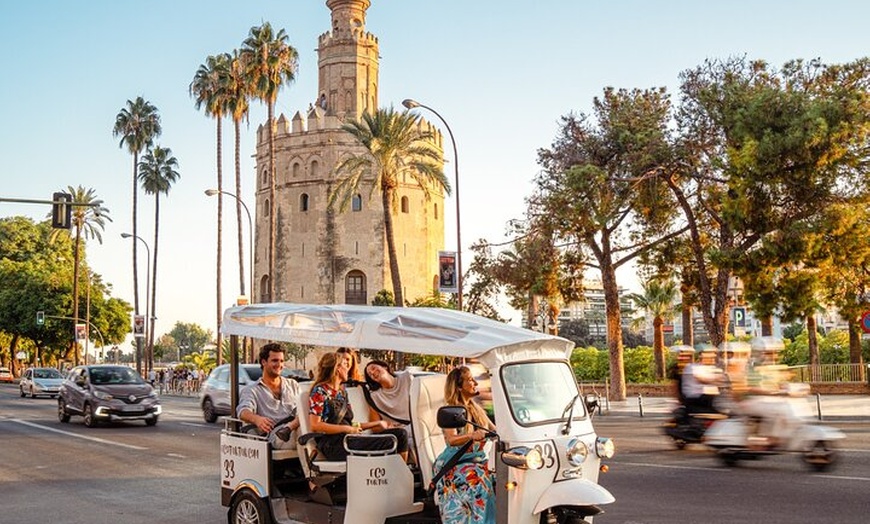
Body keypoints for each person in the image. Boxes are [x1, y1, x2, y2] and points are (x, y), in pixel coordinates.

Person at [308, 352, 409, 461]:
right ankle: (394, 474)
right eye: (345, 365)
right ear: (337, 368)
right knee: (390, 441)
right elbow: (315, 425)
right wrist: (346, 429)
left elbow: (350, 424)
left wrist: (377, 423)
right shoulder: (320, 391)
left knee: (400, 434)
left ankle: (400, 473)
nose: (348, 368)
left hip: (350, 440)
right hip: (334, 445)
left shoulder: (342, 393)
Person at [432, 366, 496, 524]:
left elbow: (495, 430)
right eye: (470, 379)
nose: (475, 382)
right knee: (479, 481)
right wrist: (472, 436)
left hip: (476, 461)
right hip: (456, 462)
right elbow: (452, 439)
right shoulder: (450, 411)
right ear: (459, 386)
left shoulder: (476, 409)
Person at [237, 343, 302, 450]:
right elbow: (243, 412)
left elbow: (303, 408)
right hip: (276, 436)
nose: (279, 365)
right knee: (303, 433)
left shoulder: (292, 385)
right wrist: (257, 419)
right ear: (264, 362)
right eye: (275, 360)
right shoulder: (252, 390)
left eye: (281, 361)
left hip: (297, 427)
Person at [681, 350, 723, 414]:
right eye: (710, 358)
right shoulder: (692, 367)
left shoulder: (710, 368)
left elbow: (719, 379)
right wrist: (714, 380)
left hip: (707, 397)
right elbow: (701, 379)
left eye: (713, 358)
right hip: (695, 397)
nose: (712, 360)